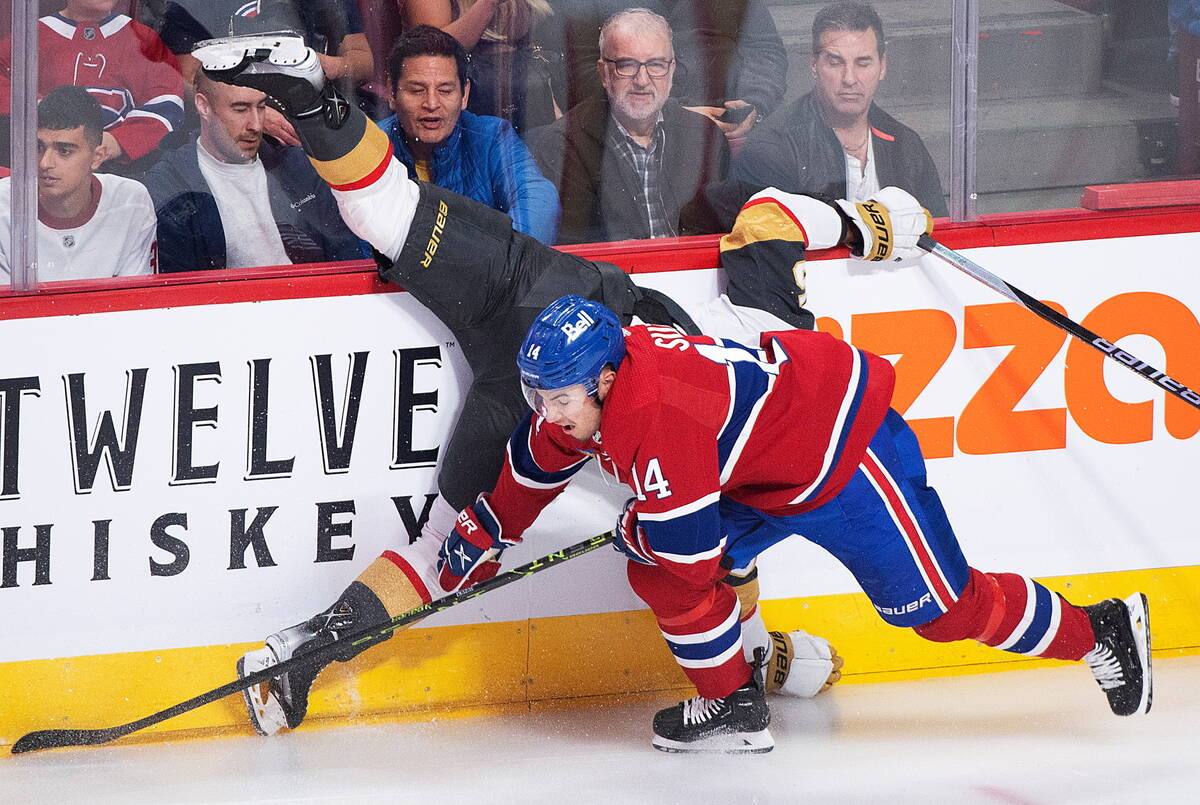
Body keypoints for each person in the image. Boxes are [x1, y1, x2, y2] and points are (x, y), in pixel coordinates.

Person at [186, 32, 941, 735]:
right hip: (586, 376)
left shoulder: (779, 331)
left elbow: (767, 221)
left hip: (551, 302)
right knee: (454, 541)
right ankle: (295, 659)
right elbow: (710, 564)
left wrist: (863, 223)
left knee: (394, 214)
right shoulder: (767, 400)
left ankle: (311, 99)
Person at [433, 291, 1154, 753]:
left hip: (842, 455)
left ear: (607, 380)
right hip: (764, 467)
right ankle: (733, 706)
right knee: (653, 563)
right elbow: (544, 451)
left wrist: (639, 527)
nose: (550, 412)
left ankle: (1105, 629)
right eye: (542, 396)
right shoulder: (597, 385)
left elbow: (688, 552)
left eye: (559, 397)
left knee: (940, 611)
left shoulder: (658, 415)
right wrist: (489, 525)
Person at [734, 1, 949, 218]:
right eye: (835, 62)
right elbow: (768, 244)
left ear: (882, 67)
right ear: (814, 66)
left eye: (863, 63)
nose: (849, 79)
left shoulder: (906, 146)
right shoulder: (772, 146)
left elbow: (939, 238)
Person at [531, 8, 729, 245]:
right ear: (604, 73)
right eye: (626, 65)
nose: (642, 81)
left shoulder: (704, 136)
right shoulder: (564, 145)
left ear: (672, 71)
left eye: (656, 65)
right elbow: (573, 253)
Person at [140, 72, 364, 272]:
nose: (256, 125)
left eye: (261, 107)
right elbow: (181, 288)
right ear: (203, 106)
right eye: (241, 109)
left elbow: (347, 256)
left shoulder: (300, 167)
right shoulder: (168, 185)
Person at [380, 25, 560, 244]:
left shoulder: (492, 137)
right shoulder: (370, 149)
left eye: (445, 90)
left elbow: (539, 198)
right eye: (417, 90)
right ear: (392, 93)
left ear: (464, 95)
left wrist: (491, 264)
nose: (432, 103)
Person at [545, 0, 787, 143]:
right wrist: (670, 115)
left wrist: (755, 104)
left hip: (730, 135)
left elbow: (764, 49)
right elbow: (579, 72)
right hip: (626, 142)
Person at [148, 0, 373, 147]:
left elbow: (364, 61)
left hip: (321, 106)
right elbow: (189, 80)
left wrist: (328, 66)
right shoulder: (191, 5)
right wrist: (256, 113)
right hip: (242, 123)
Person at [0, 0, 185, 170]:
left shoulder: (144, 40)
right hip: (46, 165)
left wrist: (118, 141)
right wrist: (46, 120)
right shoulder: (30, 36)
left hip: (122, 171)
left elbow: (167, 102)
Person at [0, 86, 157, 282]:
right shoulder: (2, 204)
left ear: (97, 157)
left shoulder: (132, 201)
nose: (45, 163)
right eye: (39, 147)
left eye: (64, 151)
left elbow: (137, 301)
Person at [402, 0, 558, 134]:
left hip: (524, 101)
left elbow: (527, 51)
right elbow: (432, 53)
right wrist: (488, 4)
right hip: (461, 117)